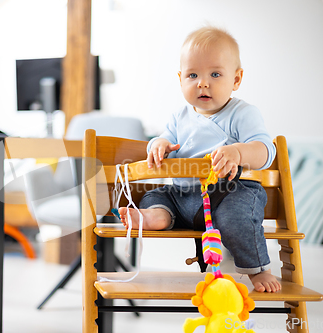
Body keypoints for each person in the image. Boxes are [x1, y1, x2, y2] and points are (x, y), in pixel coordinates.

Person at [118, 26, 281, 293]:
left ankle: (258, 269)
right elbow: (164, 137)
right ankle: (157, 216)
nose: (202, 83)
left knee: (234, 218)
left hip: (229, 192)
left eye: (215, 74)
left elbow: (265, 150)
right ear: (180, 79)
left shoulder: (243, 113)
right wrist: (158, 144)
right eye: (193, 75)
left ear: (236, 80)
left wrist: (239, 152)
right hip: (182, 195)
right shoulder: (179, 116)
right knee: (154, 195)